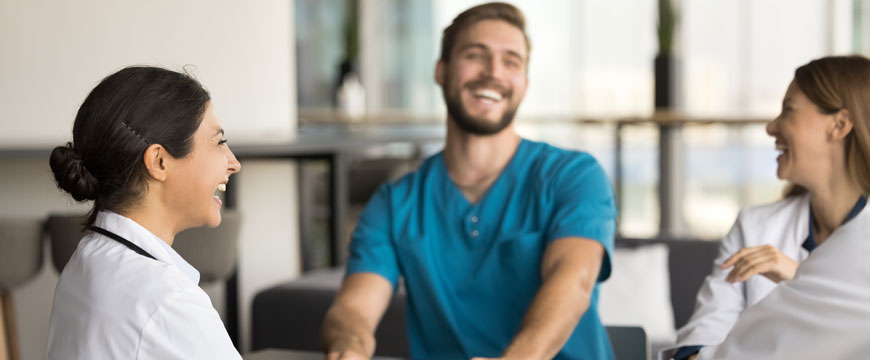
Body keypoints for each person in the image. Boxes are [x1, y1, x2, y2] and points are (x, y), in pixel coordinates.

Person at [321, 3, 617, 359]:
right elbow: (354, 309)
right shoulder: (395, 203)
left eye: (511, 61)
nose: (494, 72)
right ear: (441, 71)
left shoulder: (573, 177)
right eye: (476, 55)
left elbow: (574, 282)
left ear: (524, 83)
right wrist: (349, 345)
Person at [666, 55, 870, 360]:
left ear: (839, 125)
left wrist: (801, 279)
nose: (771, 127)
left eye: (788, 110)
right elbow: (699, 341)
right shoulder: (755, 227)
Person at [46, 66, 242, 359]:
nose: (233, 163)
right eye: (218, 142)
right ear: (159, 162)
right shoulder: (168, 301)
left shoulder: (83, 263)